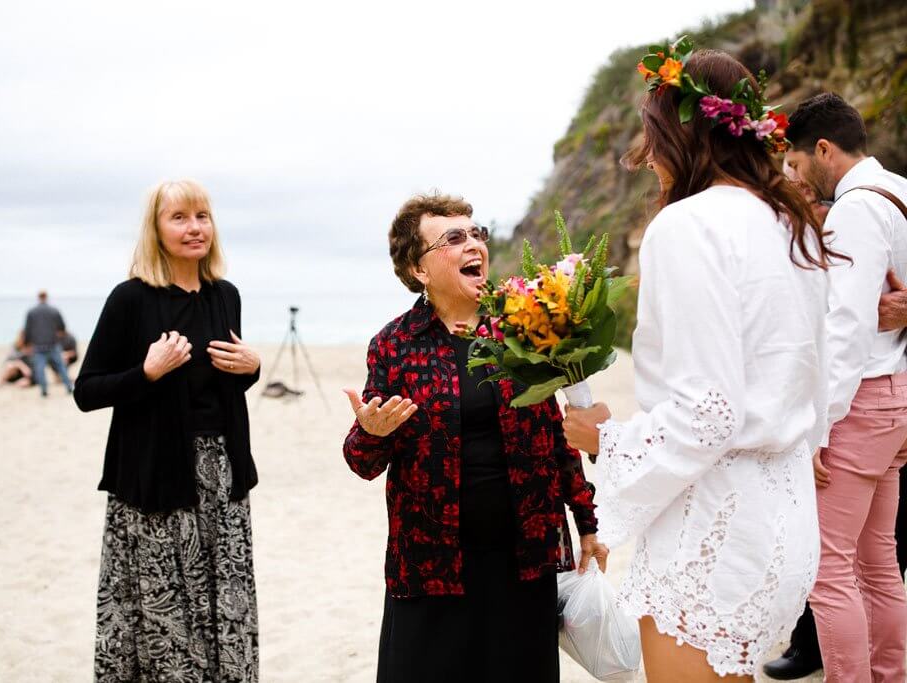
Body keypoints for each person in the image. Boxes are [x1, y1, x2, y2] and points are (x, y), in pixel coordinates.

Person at [562, 47, 843, 681]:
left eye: (651, 135)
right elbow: (815, 374)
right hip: (784, 519)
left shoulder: (689, 226)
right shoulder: (790, 224)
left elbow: (708, 413)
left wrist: (606, 438)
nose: (648, 154)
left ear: (679, 131)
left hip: (714, 523)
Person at [342, 192, 607, 683]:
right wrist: (371, 432)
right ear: (419, 269)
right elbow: (362, 461)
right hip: (431, 562)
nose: (474, 245)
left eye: (476, 233)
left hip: (523, 557)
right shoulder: (395, 345)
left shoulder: (522, 326)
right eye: (454, 238)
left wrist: (587, 522)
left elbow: (556, 437)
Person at [74, 179, 262, 682]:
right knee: (163, 617)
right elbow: (87, 391)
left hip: (222, 477)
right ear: (156, 229)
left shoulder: (226, 296)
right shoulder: (130, 300)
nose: (194, 227)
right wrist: (147, 372)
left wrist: (252, 368)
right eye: (179, 217)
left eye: (202, 216)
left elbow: (219, 388)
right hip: (155, 479)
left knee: (228, 604)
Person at [773, 92, 907, 682]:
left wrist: (819, 428)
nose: (798, 178)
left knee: (828, 571)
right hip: (897, 397)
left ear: (823, 149)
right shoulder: (901, 189)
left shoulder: (854, 207)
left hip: (859, 402)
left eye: (798, 166)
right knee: (879, 562)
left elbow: (848, 329)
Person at [23, 290, 74, 396]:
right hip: (52, 343)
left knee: (40, 369)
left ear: (38, 297)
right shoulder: (54, 310)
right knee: (61, 367)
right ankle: (69, 387)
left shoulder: (31, 312)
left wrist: (27, 343)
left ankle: (44, 390)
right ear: (46, 297)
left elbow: (27, 329)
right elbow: (62, 327)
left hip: (38, 345)